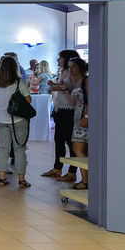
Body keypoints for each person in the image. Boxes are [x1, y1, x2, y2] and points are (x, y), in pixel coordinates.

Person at [0, 55, 33, 188]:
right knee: (19, 149)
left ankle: (1, 178)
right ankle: (21, 180)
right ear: (16, 68)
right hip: (18, 120)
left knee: (2, 148)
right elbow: (29, 100)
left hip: (1, 120)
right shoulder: (20, 83)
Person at [42, 50, 80, 182]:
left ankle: (72, 171)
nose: (58, 60)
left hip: (69, 110)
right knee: (58, 140)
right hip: (60, 109)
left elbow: (70, 89)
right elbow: (60, 87)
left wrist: (57, 87)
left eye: (60, 58)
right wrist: (55, 85)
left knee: (70, 142)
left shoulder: (72, 73)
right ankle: (57, 168)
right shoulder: (63, 72)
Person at [68, 57, 89, 191]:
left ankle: (85, 181)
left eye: (73, 66)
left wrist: (86, 116)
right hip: (78, 117)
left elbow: (90, 99)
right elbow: (74, 102)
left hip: (84, 118)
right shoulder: (76, 83)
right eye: (69, 66)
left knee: (78, 149)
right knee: (79, 150)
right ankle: (85, 180)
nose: (70, 69)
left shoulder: (86, 80)